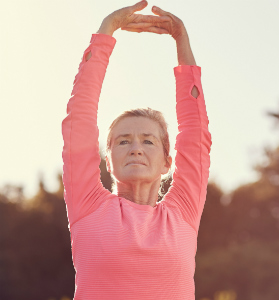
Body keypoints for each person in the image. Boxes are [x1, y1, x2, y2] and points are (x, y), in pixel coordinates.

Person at [61, 1, 211, 299]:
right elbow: (80, 118)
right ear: (108, 160)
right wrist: (106, 31)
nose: (136, 149)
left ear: (168, 162)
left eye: (148, 140)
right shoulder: (88, 204)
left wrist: (182, 41)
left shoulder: (182, 212)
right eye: (123, 141)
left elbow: (196, 135)